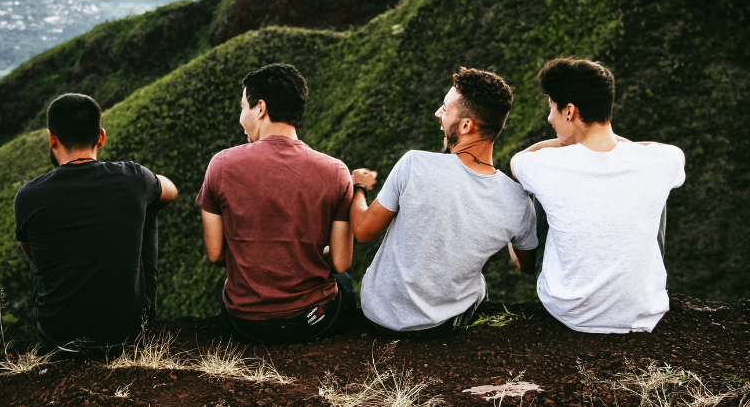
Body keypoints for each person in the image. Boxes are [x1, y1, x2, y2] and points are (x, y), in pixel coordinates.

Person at [350, 67, 538, 338]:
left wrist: (358, 187)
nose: (438, 113)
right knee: (479, 284)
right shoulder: (518, 201)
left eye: (445, 109)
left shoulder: (414, 164)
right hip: (441, 326)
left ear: (465, 126)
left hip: (379, 316)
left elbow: (363, 231)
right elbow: (526, 265)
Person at [510, 57, 686, 334]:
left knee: (538, 191)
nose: (549, 118)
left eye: (551, 109)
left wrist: (564, 143)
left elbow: (519, 160)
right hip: (641, 312)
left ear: (569, 111)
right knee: (654, 187)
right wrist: (620, 145)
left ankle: (527, 265)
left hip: (569, 310)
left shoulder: (545, 164)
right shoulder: (660, 161)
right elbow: (674, 153)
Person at [196, 63, 357, 344]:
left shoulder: (221, 165)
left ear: (260, 108)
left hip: (245, 323)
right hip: (312, 321)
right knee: (344, 283)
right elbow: (341, 262)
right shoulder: (336, 171)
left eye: (243, 107)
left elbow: (215, 254)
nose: (240, 118)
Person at [14, 93, 178, 352]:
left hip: (58, 335)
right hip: (128, 331)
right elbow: (171, 190)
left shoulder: (28, 195)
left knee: (40, 248)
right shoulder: (133, 178)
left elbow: (35, 258)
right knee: (150, 203)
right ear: (101, 137)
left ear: (51, 138)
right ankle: (138, 310)